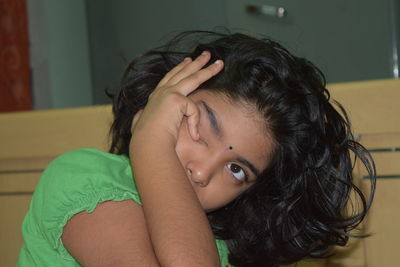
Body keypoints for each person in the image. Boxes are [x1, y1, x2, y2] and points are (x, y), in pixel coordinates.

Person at [17, 30, 375, 267]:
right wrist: (151, 142)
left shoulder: (214, 242)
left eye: (237, 170)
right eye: (199, 125)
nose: (203, 172)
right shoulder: (84, 180)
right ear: (161, 102)